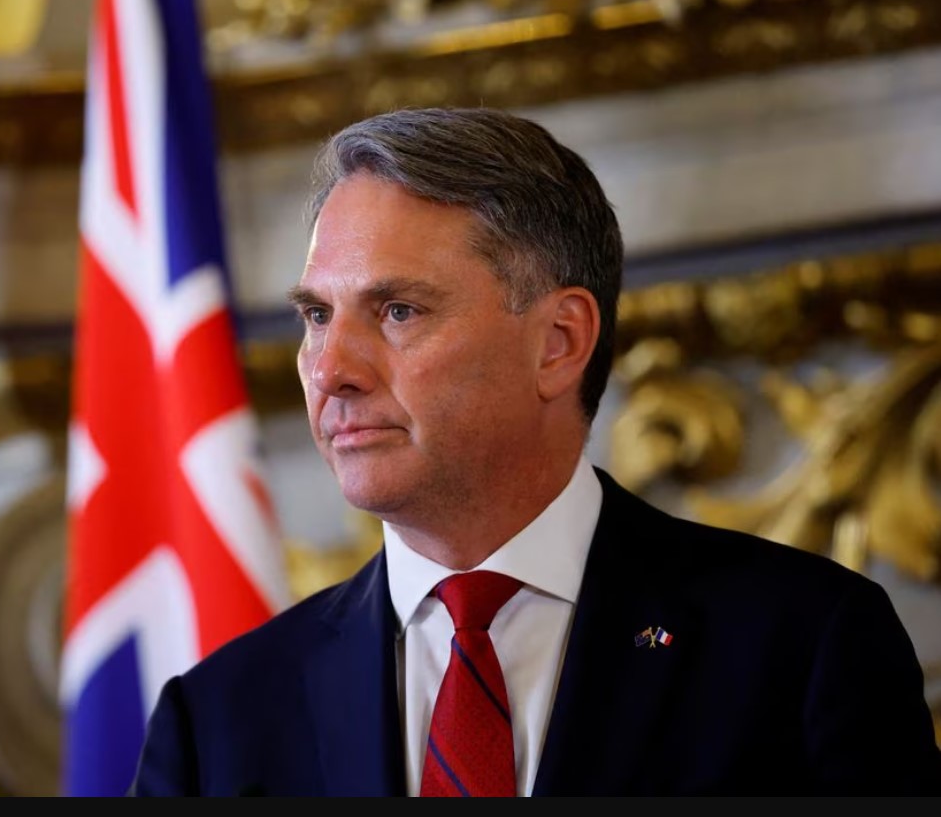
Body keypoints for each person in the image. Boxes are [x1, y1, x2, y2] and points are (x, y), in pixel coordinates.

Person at [128, 106, 941, 795]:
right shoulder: (217, 724)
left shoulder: (800, 648)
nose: (330, 370)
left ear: (558, 341)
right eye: (315, 315)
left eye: (398, 311)